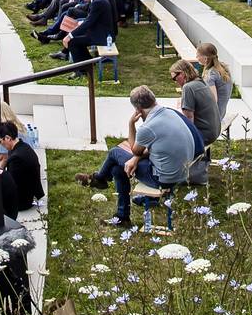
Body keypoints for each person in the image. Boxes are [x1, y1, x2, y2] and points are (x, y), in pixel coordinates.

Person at [77, 86, 195, 227]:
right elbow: (155, 149)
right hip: (182, 171)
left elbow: (135, 150)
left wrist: (131, 124)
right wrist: (137, 157)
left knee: (114, 153)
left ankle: (99, 179)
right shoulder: (170, 113)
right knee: (117, 169)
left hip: (164, 178)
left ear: (138, 109)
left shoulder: (148, 127)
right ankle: (121, 216)